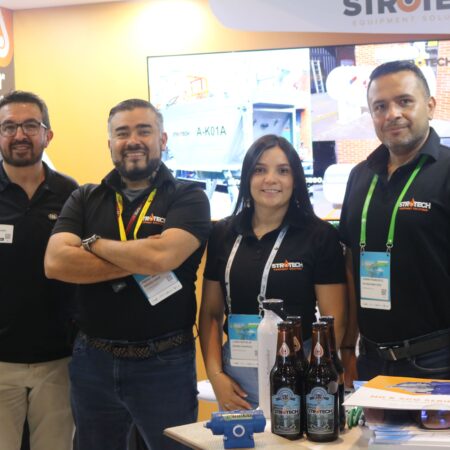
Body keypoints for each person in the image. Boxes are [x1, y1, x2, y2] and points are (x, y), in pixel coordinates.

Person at [44, 99, 211, 450]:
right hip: (93, 362)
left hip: (164, 363)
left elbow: (163, 255)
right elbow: (56, 262)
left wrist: (92, 244)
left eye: (143, 131)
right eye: (122, 133)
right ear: (110, 143)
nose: (132, 140)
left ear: (162, 139)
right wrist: (146, 258)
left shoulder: (189, 196)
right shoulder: (85, 197)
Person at [199, 134, 346, 411]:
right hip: (236, 378)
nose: (270, 179)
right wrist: (215, 375)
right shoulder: (223, 233)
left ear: (295, 179)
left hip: (299, 373)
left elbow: (333, 321)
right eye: (259, 170)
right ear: (247, 177)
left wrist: (312, 378)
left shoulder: (319, 236)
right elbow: (210, 313)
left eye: (282, 170)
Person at [339, 60, 450, 384]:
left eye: (404, 101)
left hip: (438, 361)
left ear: (430, 106)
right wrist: (347, 347)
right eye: (380, 106)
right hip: (371, 360)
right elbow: (350, 264)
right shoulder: (360, 176)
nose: (392, 114)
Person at [0, 90, 78, 450]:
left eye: (30, 125)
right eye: (9, 126)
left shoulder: (71, 194)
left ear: (48, 135)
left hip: (58, 360)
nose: (19, 135)